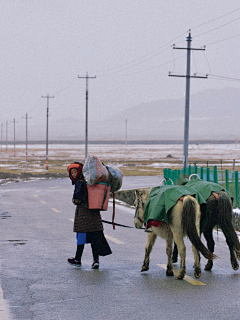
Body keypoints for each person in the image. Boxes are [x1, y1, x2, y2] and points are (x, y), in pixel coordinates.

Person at [67, 162, 112, 269]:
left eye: (75, 171)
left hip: (83, 215)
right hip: (94, 214)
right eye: (72, 172)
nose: (73, 174)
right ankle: (96, 260)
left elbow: (77, 199)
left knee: (81, 238)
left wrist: (75, 200)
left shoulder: (79, 183)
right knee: (94, 238)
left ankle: (77, 259)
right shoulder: (91, 182)